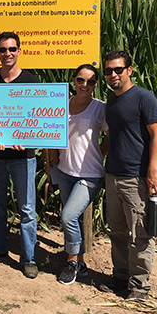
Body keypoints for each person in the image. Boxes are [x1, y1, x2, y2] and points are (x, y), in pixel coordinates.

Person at [100, 50, 157, 301]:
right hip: (113, 174)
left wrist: (152, 172)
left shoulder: (143, 98)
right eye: (108, 71)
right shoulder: (112, 100)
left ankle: (140, 284)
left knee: (139, 232)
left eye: (118, 70)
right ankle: (120, 275)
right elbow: (113, 134)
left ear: (129, 70)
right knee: (117, 230)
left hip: (135, 177)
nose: (113, 74)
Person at [0, 32, 40, 279]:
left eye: (12, 49)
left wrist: (26, 139)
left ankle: (29, 258)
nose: (7, 53)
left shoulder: (32, 81)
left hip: (23, 157)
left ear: (19, 51)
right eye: (3, 49)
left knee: (27, 210)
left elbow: (38, 121)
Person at [51, 64, 108, 285]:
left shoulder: (99, 108)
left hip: (90, 173)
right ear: (74, 80)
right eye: (81, 80)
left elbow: (111, 135)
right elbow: (52, 132)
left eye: (91, 81)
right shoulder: (63, 105)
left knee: (68, 216)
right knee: (71, 218)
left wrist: (101, 153)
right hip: (65, 170)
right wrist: (53, 154)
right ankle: (81, 263)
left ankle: (72, 262)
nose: (85, 85)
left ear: (95, 85)